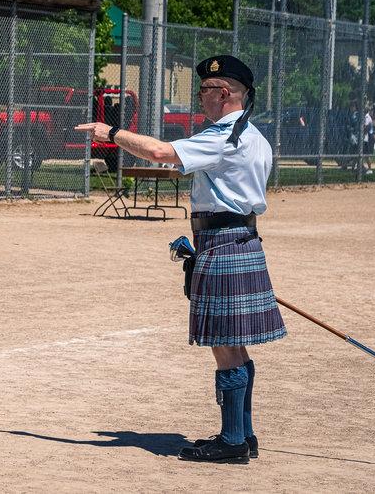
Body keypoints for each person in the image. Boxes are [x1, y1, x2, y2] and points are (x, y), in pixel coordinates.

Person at [77, 55, 286, 464]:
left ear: (224, 93)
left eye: (206, 90)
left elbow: (159, 151)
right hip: (237, 238)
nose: (201, 98)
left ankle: (232, 442)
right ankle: (244, 433)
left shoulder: (225, 136)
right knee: (236, 346)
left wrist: (111, 131)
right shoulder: (254, 137)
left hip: (223, 242)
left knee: (225, 347)